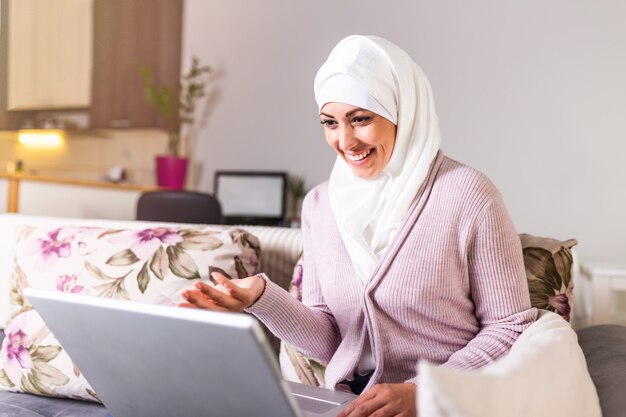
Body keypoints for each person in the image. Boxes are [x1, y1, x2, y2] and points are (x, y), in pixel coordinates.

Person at [181, 35, 537, 417]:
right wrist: (259, 298)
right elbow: (335, 339)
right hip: (350, 404)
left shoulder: (469, 195)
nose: (345, 140)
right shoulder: (320, 204)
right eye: (330, 123)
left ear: (403, 110)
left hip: (447, 403)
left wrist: (423, 392)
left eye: (361, 119)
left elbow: (509, 327)